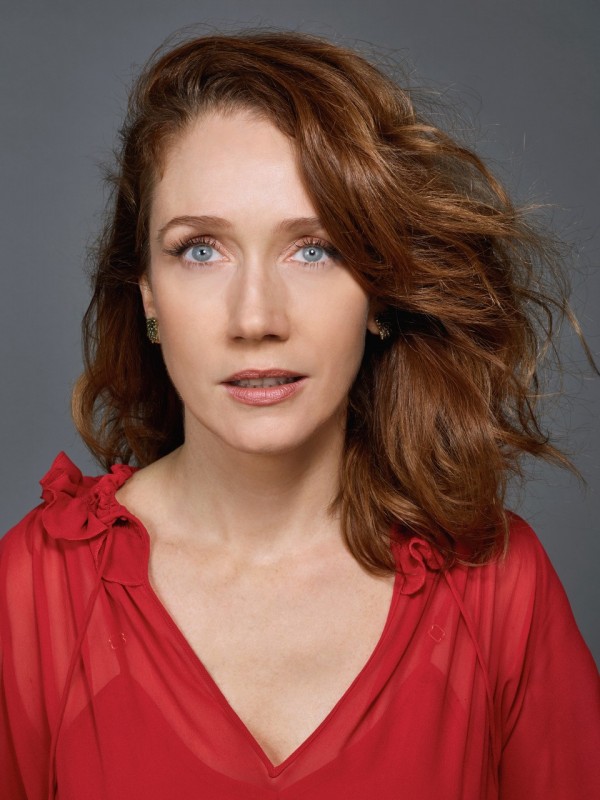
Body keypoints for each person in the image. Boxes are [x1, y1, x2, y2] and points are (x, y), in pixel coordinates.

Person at [0, 30, 598, 800]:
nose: (256, 318)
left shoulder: (498, 589)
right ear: (147, 293)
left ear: (378, 290)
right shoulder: (34, 596)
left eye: (314, 249)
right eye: (200, 250)